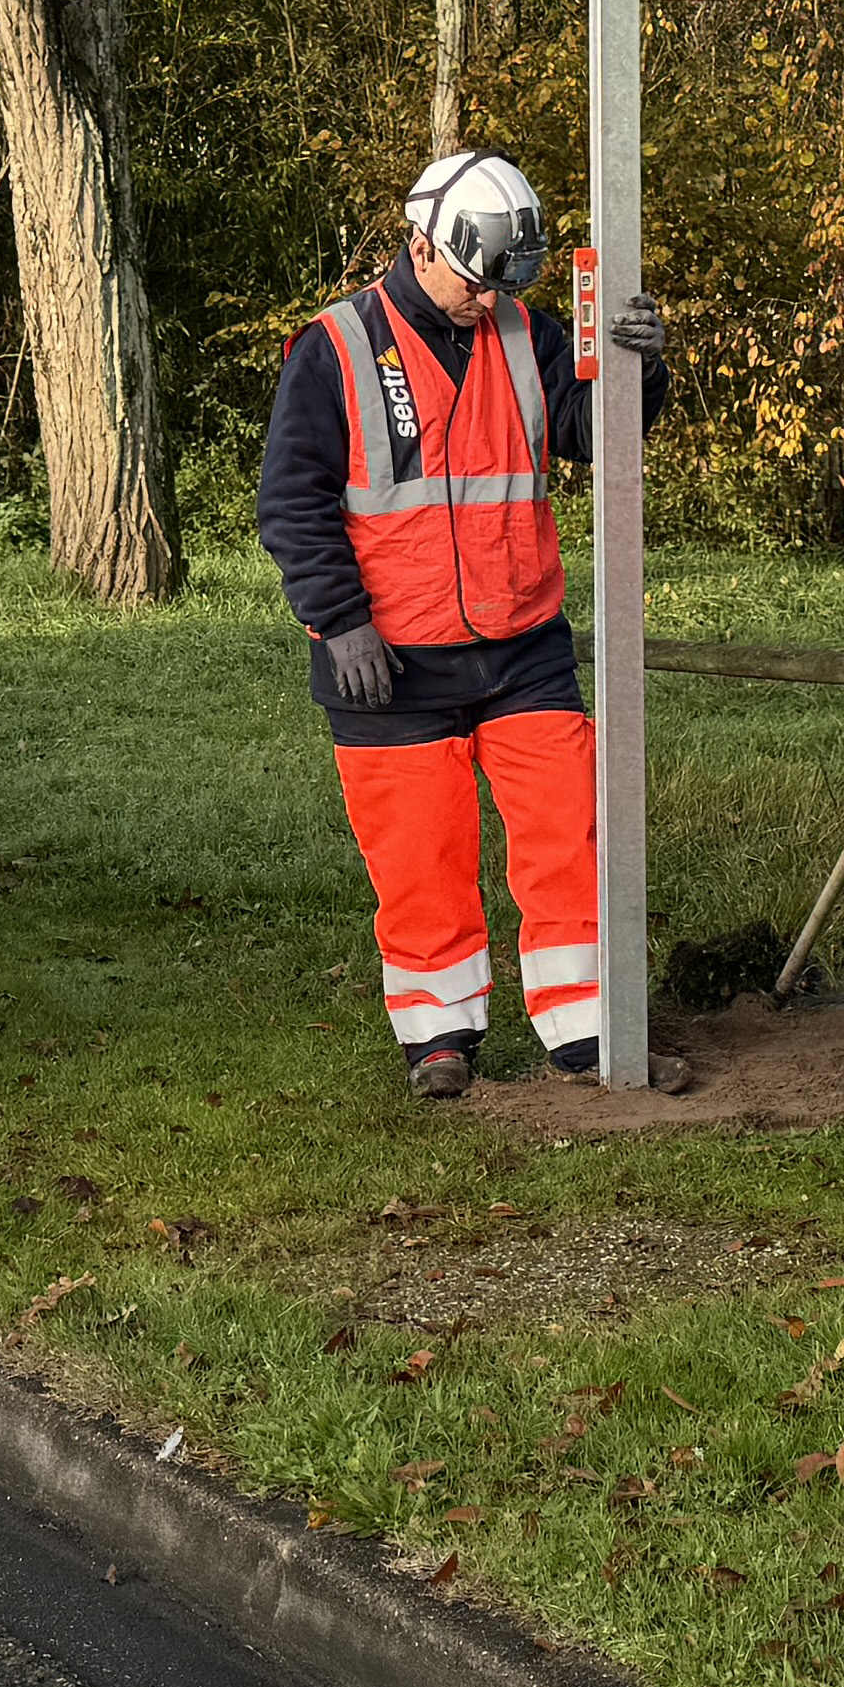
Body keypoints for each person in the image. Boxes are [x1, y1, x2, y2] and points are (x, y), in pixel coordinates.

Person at [259, 148, 666, 1097]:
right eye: (476, 283)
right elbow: (292, 502)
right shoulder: (335, 346)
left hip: (523, 649)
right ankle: (439, 1038)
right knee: (420, 859)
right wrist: (339, 621)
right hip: (387, 664)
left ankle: (587, 1030)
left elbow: (593, 433)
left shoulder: (528, 333)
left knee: (569, 838)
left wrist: (639, 371)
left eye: (503, 286)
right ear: (420, 247)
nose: (489, 302)